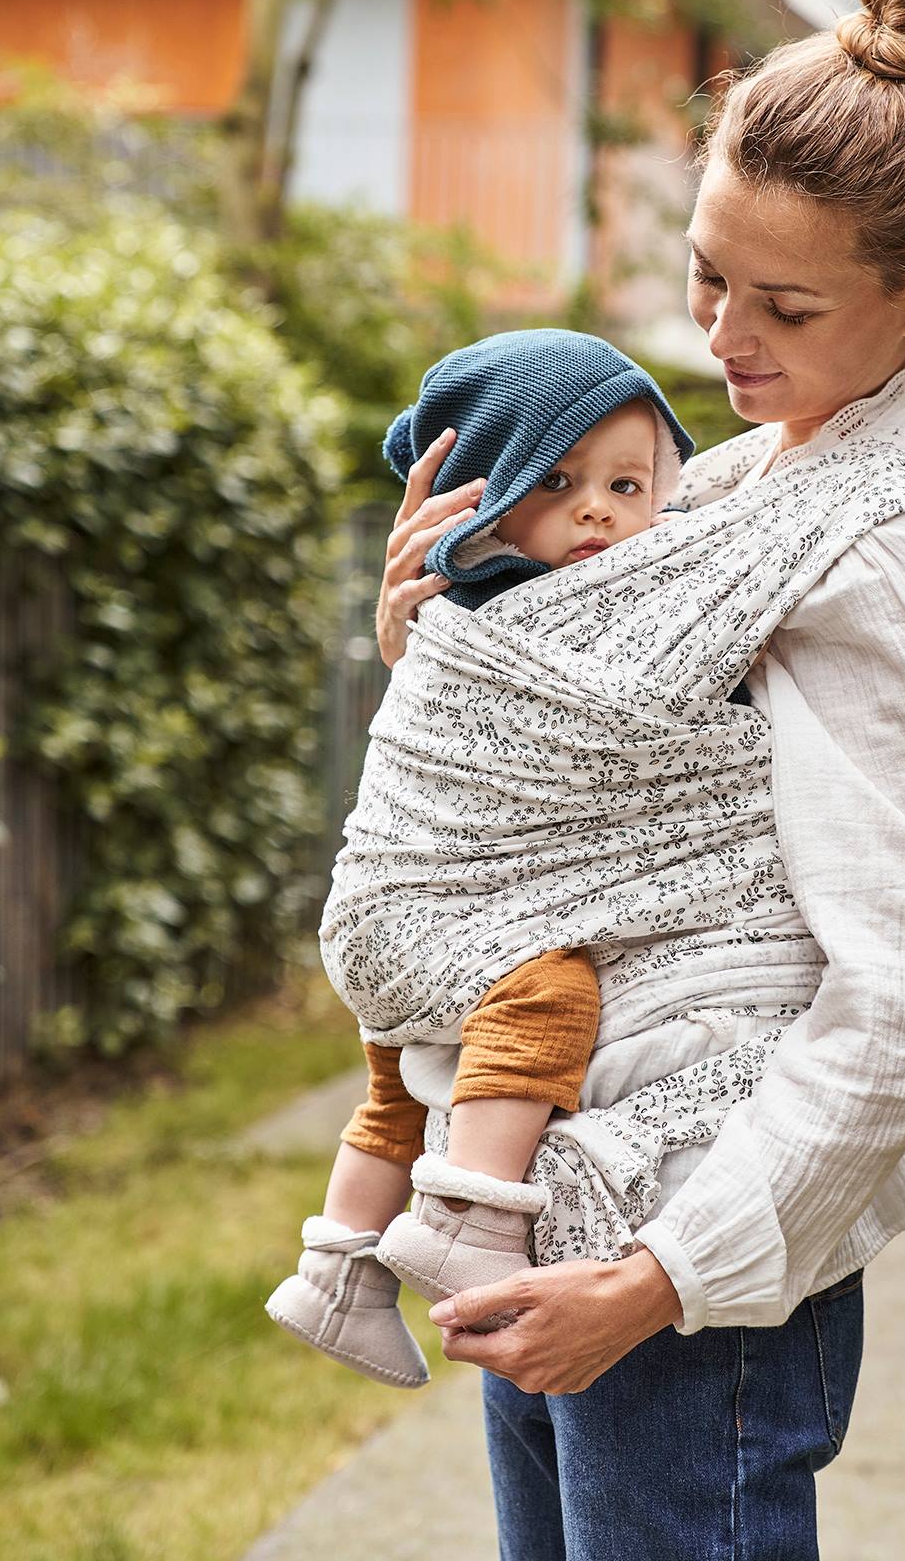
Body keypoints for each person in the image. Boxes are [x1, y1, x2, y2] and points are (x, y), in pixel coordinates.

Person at [369, 0, 905, 1560]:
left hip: (691, 1252)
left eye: (784, 304)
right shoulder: (730, 482)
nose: (725, 332)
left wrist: (657, 1283)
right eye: (707, 273)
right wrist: (430, 650)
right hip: (565, 1183)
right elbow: (585, 773)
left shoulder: (885, 544)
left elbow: (901, 1007)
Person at [266, 330, 699, 1384]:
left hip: (386, 923)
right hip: (442, 909)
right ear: (488, 499)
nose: (597, 511)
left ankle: (338, 1274)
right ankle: (471, 1217)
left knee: (402, 1091)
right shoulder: (508, 603)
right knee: (549, 995)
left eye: (627, 484)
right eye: (556, 480)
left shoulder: (451, 606)